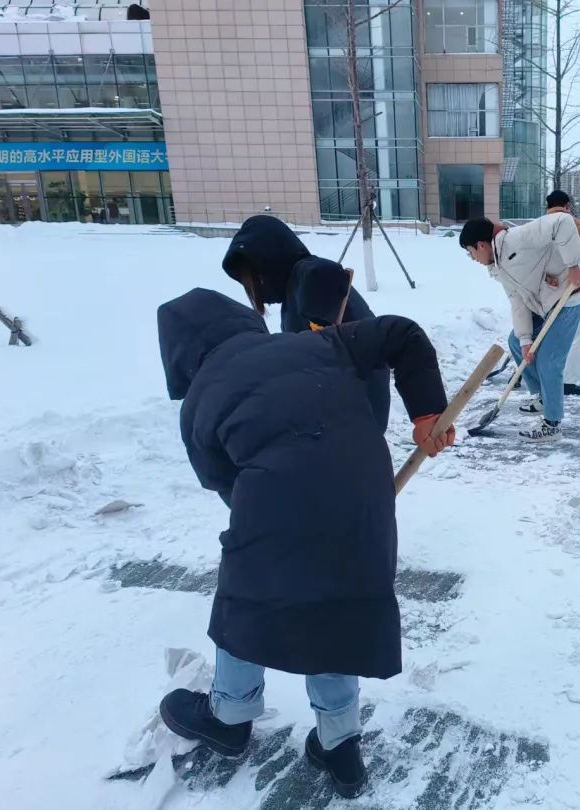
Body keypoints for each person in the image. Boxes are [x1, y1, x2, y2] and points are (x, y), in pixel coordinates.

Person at [155, 285, 454, 798]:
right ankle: (340, 745)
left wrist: (279, 532)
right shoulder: (316, 343)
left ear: (180, 357)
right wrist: (426, 411)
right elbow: (402, 334)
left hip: (272, 506)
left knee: (244, 604)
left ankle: (229, 717)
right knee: (336, 610)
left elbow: (222, 483)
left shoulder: (199, 401)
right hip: (364, 502)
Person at [222, 215, 390, 431]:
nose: (258, 288)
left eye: (258, 279)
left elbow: (323, 272)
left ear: (271, 261)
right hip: (348, 398)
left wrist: (320, 320)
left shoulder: (307, 275)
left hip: (354, 401)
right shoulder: (293, 289)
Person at [459, 214, 580, 442]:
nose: (472, 258)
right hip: (544, 303)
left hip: (570, 295)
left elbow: (563, 222)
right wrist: (526, 340)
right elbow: (518, 302)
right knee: (517, 342)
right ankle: (544, 397)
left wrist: (573, 264)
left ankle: (552, 424)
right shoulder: (498, 266)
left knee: (549, 360)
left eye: (470, 252)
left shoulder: (517, 238)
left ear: (480, 245)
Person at [546, 190, 580, 397]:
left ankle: (526, 373)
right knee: (576, 335)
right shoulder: (572, 222)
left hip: (546, 288)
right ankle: (567, 381)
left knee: (544, 332)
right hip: (572, 287)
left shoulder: (539, 224)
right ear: (567, 205)